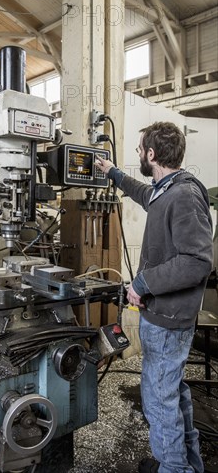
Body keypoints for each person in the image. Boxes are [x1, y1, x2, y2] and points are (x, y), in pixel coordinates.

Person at [95, 121, 213, 473]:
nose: (137, 154)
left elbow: (196, 262)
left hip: (169, 321)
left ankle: (173, 468)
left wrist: (143, 283)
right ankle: (188, 465)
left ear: (151, 154)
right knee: (172, 395)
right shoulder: (167, 189)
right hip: (163, 317)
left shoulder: (183, 195)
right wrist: (113, 173)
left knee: (160, 404)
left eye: (139, 149)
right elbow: (145, 195)